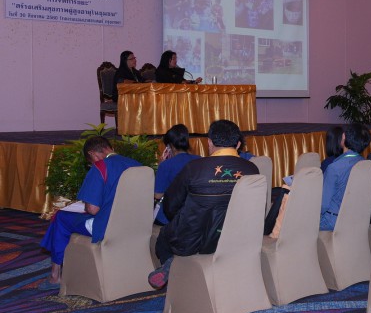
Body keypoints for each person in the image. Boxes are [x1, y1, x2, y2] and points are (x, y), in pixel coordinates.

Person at [149, 120, 259, 288]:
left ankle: (173, 267)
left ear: (209, 143)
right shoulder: (252, 169)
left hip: (193, 241)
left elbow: (170, 206)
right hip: (236, 236)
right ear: (238, 144)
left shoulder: (194, 168)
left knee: (164, 236)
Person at [40, 136, 142, 289]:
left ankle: (55, 276)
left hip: (107, 227)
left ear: (92, 154)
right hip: (136, 223)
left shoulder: (100, 167)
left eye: (90, 162)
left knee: (60, 217)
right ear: (110, 147)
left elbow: (93, 209)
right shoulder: (137, 165)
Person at [319, 122, 371, 230]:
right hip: (357, 218)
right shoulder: (366, 165)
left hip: (333, 221)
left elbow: (323, 205)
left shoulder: (334, 167)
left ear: (343, 137)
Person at [153, 124, 200, 224]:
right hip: (194, 215)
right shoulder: (199, 160)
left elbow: (158, 195)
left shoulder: (165, 165)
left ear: (170, 146)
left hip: (168, 218)